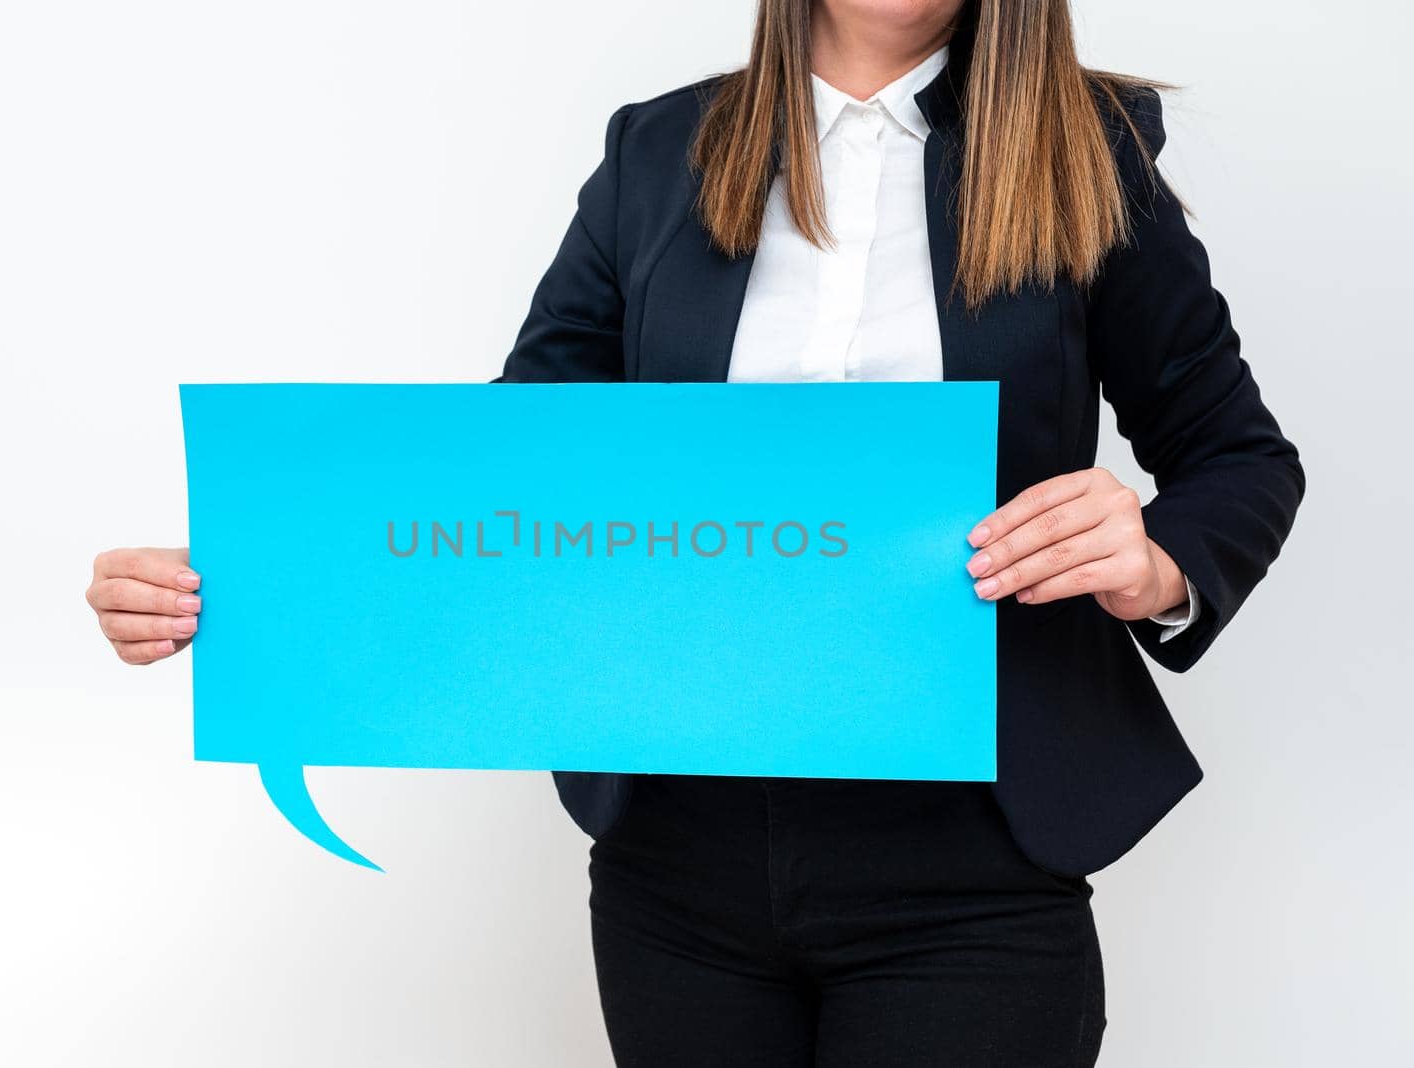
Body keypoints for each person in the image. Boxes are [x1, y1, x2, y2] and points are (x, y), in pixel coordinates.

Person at [85, 0, 1303, 1062]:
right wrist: (255, 579)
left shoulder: (1088, 156)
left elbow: (1237, 457)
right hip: (678, 866)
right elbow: (508, 481)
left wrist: (1155, 563)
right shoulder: (657, 153)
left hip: (972, 864)